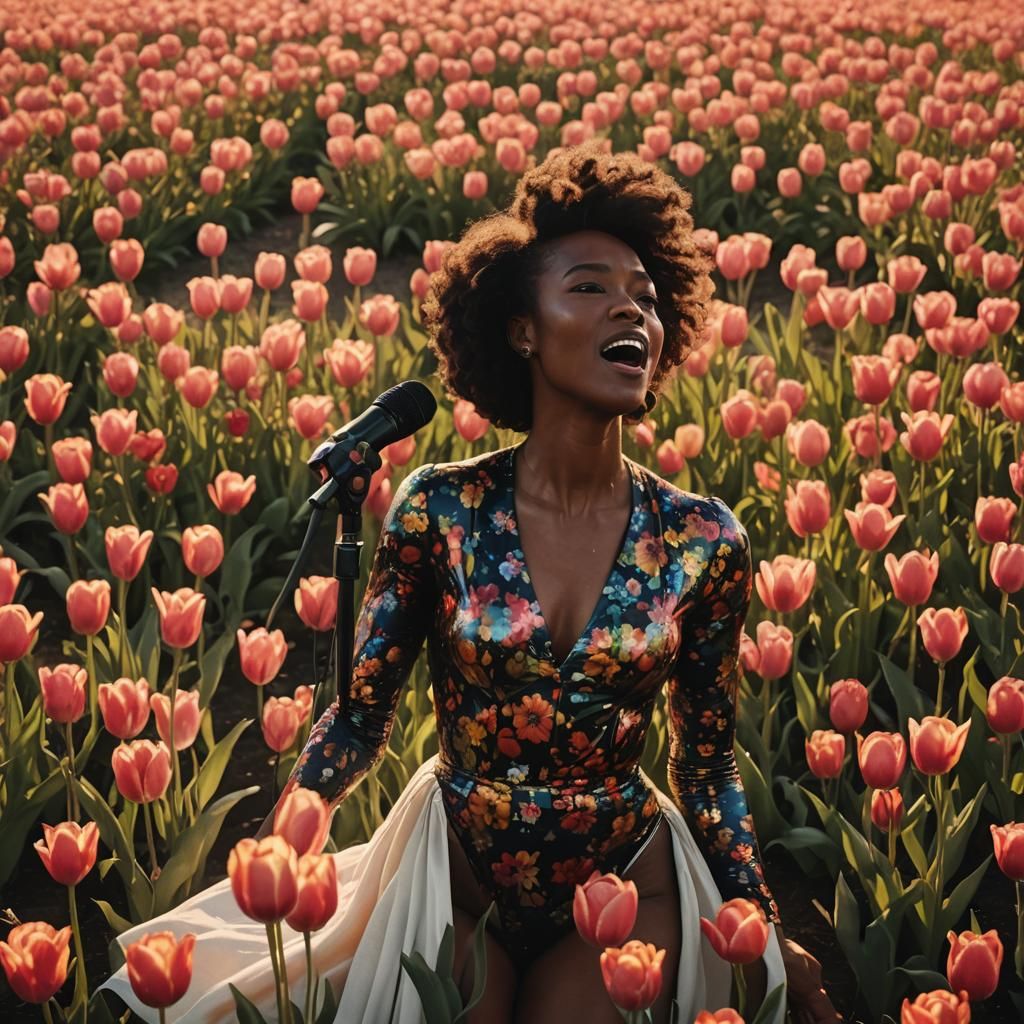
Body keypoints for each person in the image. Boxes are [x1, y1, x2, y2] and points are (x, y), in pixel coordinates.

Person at [100, 141, 839, 1024]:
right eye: (592, 288)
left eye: (646, 294)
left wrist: (758, 919)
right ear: (521, 328)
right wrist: (288, 836)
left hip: (624, 878)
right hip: (454, 875)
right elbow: (363, 713)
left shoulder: (702, 538)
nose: (630, 310)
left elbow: (706, 758)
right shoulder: (441, 509)